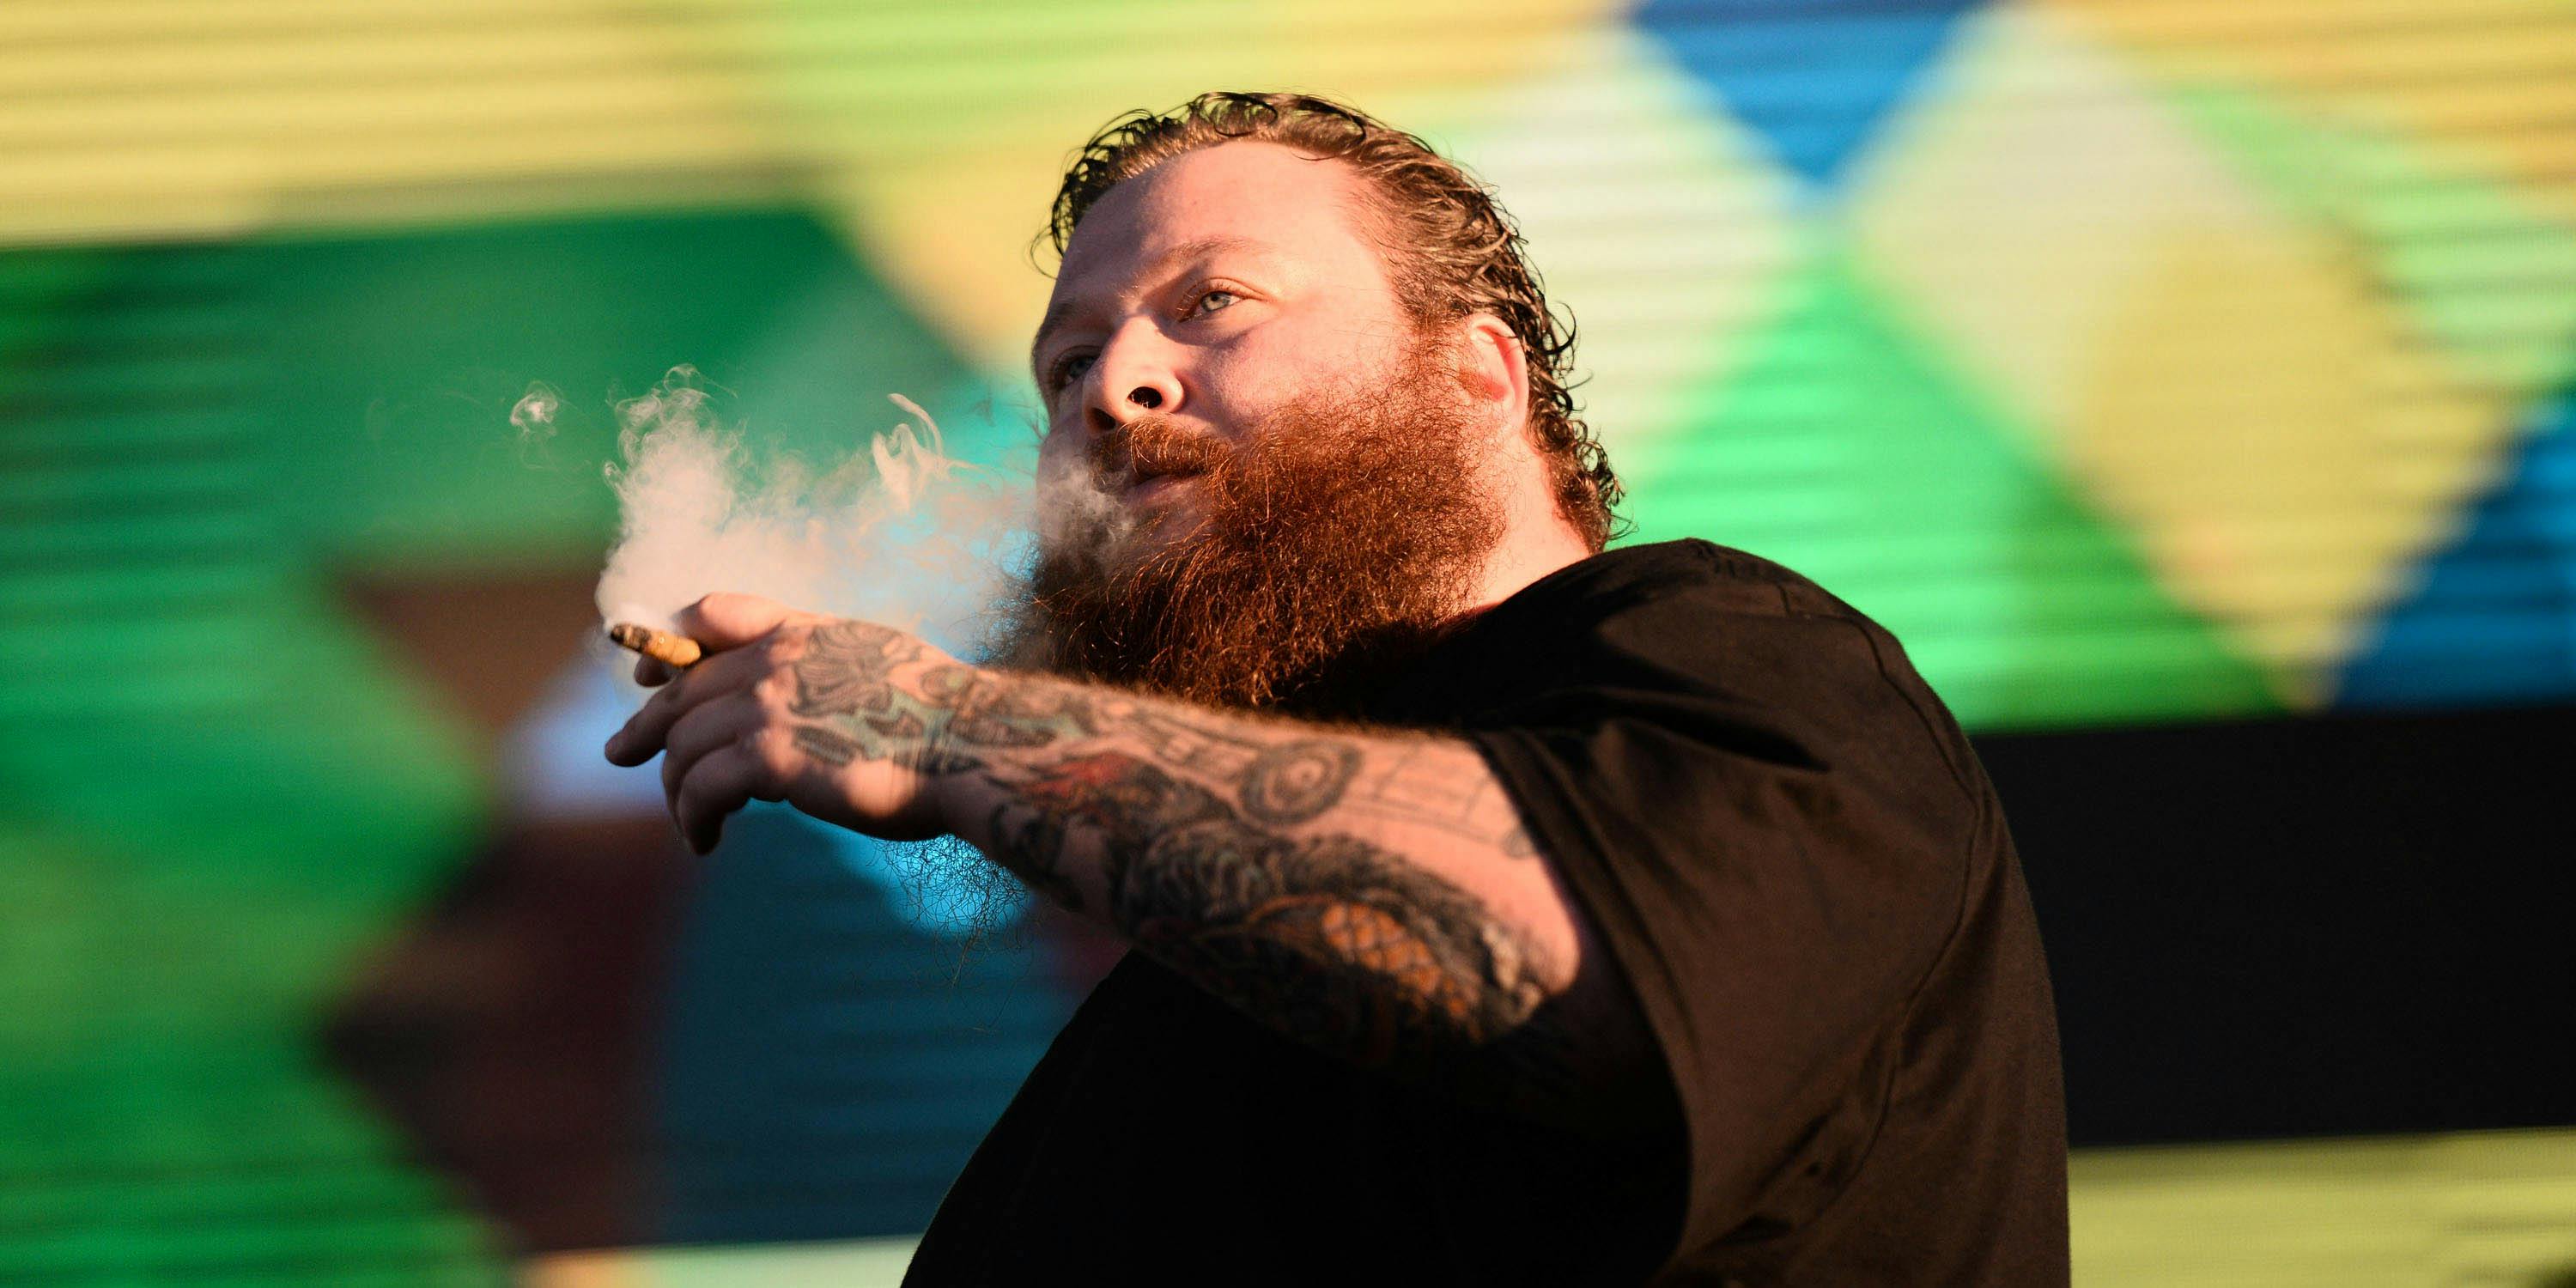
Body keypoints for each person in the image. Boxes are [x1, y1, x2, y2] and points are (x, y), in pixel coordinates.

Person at [605, 92, 2068, 1285]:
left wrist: (950, 725)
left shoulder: (1707, 643)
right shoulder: (1187, 986)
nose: (1116, 384)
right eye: (1065, 369)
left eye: (1214, 303)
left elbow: (1575, 950)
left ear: (1479, 373)